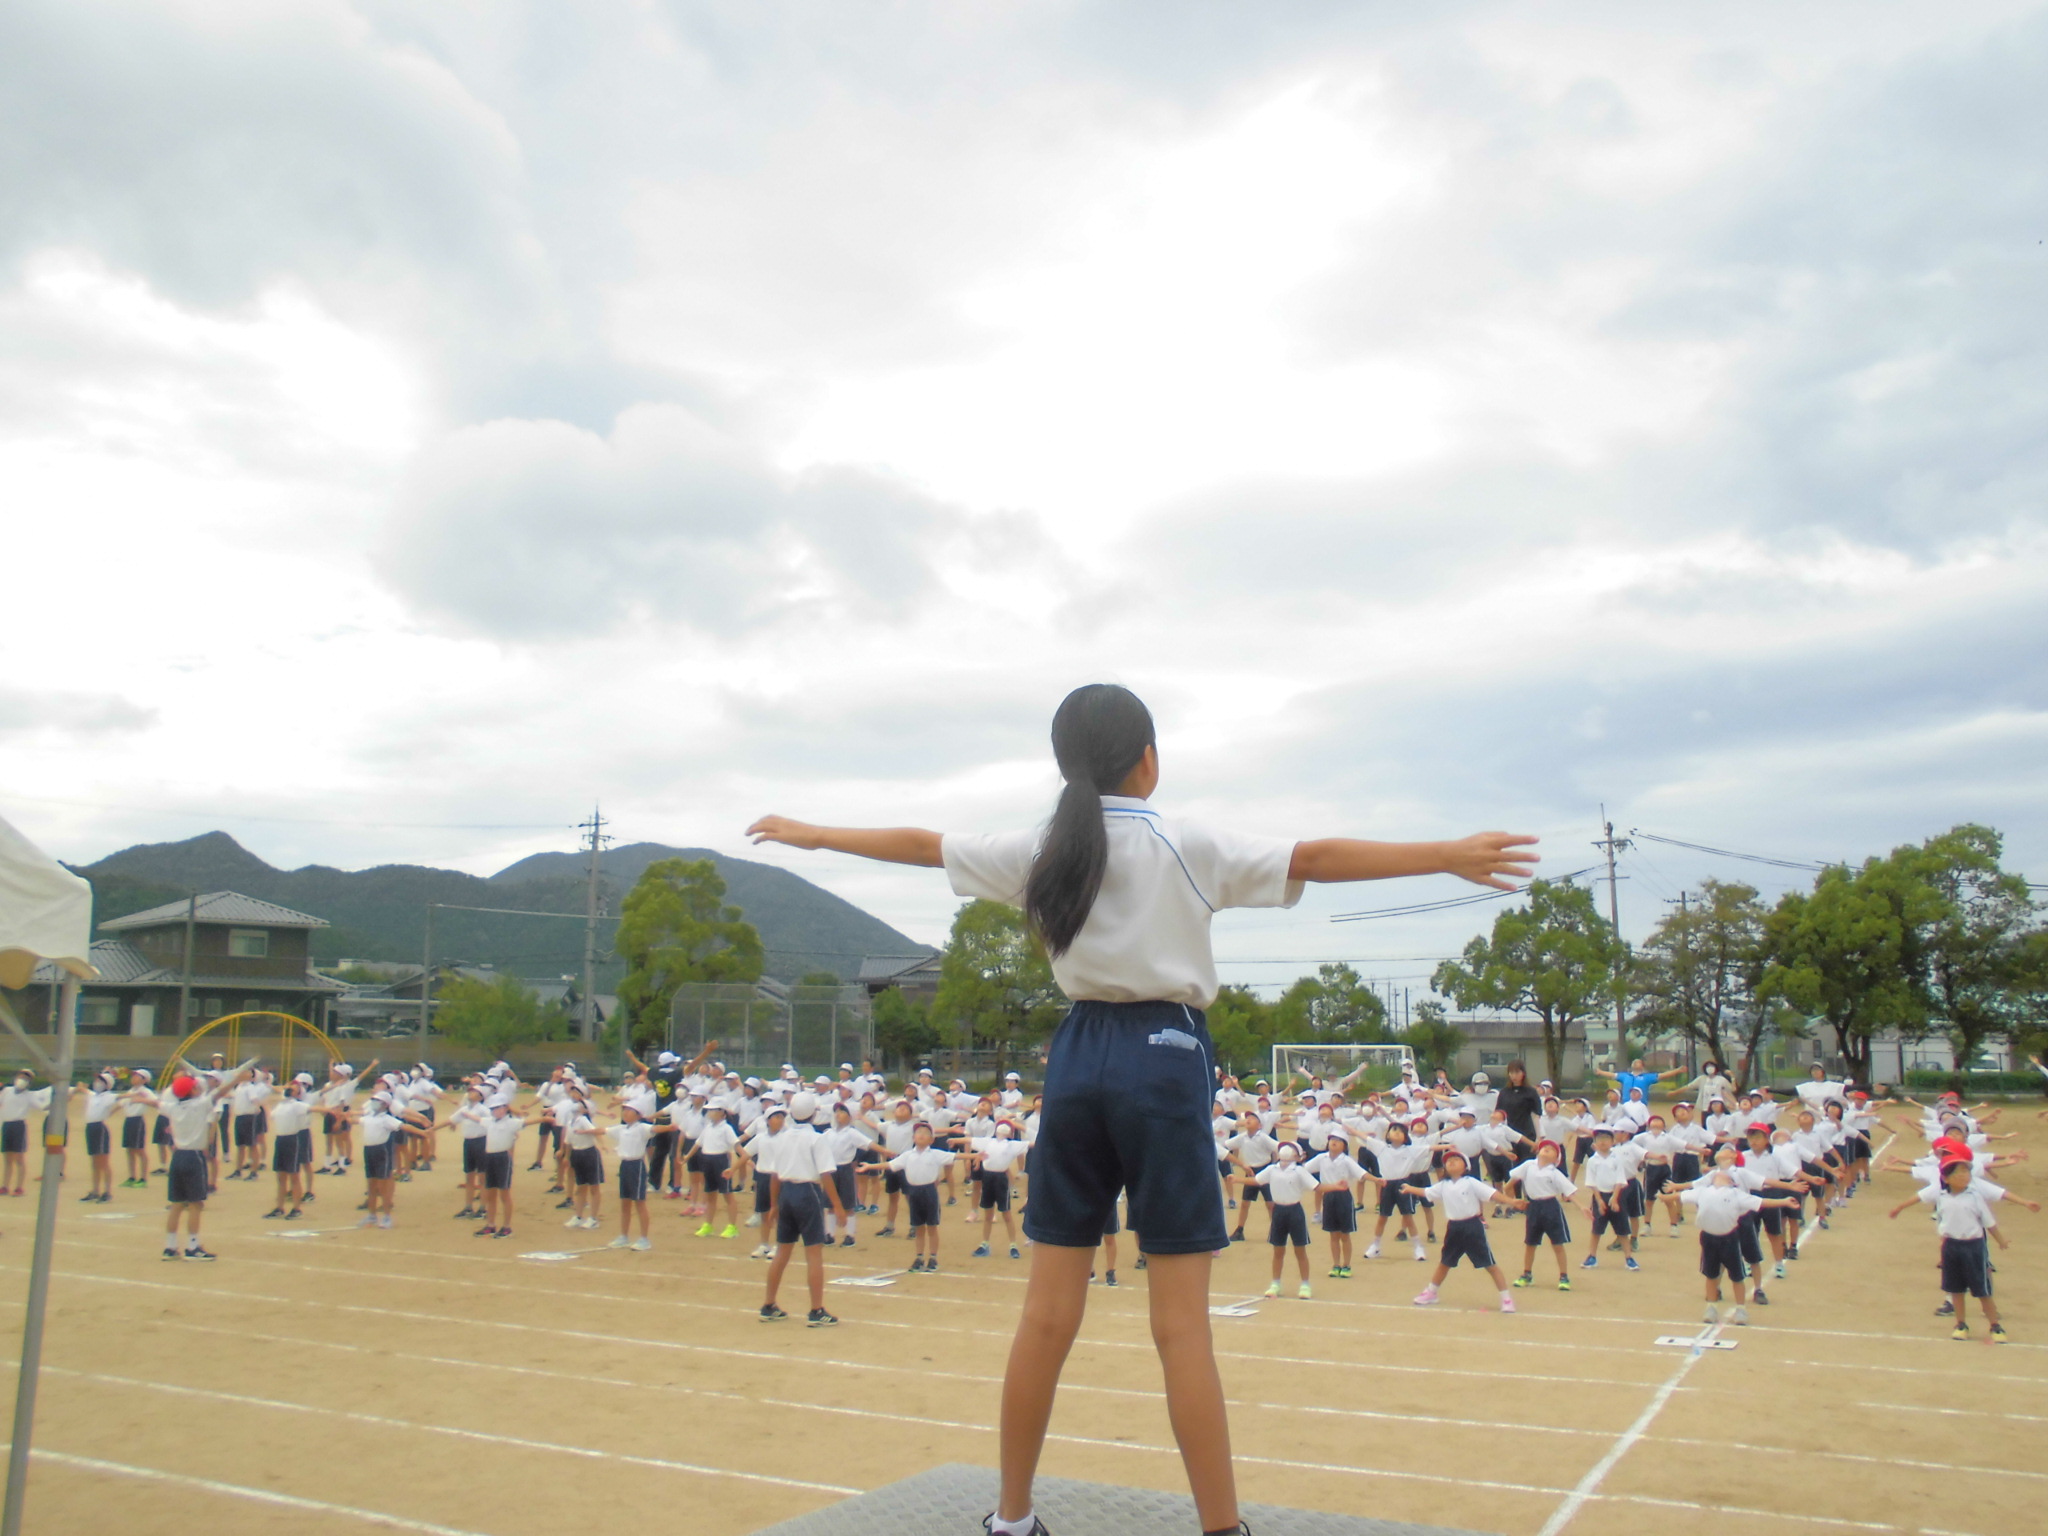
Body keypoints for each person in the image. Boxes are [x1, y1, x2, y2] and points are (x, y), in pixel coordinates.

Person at [747, 681, 1537, 1536]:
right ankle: (1220, 1528)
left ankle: (1010, 1520)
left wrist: (817, 833)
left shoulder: (1044, 849)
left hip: (1078, 1056)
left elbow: (921, 842)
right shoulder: (1184, 840)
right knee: (1180, 1326)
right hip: (1165, 1055)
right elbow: (1314, 856)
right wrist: (1445, 851)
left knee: (1046, 1315)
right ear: (1149, 760)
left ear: (1065, 766)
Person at [1891, 1156, 2039, 1341]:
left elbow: (1988, 1222)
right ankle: (1961, 1324)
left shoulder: (1974, 1196)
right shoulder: (1942, 1197)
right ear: (1946, 1178)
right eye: (1959, 1173)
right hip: (1951, 1246)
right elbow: (1936, 1214)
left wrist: (2001, 1240)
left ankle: (1995, 1326)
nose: (1964, 1176)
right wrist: (1899, 1208)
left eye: (1966, 1172)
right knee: (1956, 1288)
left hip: (1973, 1246)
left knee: (1982, 1289)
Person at [758, 1091, 845, 1325]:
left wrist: (774, 1204)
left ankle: (769, 1304)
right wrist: (837, 1205)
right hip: (808, 1193)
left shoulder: (783, 1137)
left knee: (782, 1251)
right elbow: (826, 1175)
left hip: (786, 1193)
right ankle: (816, 1310)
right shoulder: (816, 1138)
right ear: (813, 1114)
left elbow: (775, 1175)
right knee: (814, 1253)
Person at [158, 1060, 252, 1260]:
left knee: (176, 1204)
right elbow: (219, 1092)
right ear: (192, 1091)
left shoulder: (173, 1107)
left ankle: (170, 1246)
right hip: (194, 1157)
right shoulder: (201, 1104)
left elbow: (156, 1103)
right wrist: (236, 1079)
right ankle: (192, 1247)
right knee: (195, 1204)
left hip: (177, 1156)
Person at [1410, 1151, 1516, 1312]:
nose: (1451, 1162)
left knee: (1490, 1264)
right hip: (1454, 1228)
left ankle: (1506, 1299)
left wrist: (1511, 1201)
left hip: (1472, 1227)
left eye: (1456, 1160)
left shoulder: (1471, 1182)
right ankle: (1431, 1292)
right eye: (1448, 1161)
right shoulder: (1443, 1185)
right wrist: (1409, 1188)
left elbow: (1493, 1194)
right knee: (1445, 1262)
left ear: (1466, 1166)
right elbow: (1426, 1192)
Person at [1505, 1140, 1579, 1290]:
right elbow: (1510, 1183)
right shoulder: (1528, 1165)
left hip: (1550, 1206)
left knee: (1557, 1244)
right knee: (1530, 1243)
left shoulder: (1554, 1172)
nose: (1546, 1149)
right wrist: (1511, 1200)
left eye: (1551, 1150)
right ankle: (1527, 1274)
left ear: (1556, 1159)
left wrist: (1582, 1207)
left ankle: (1564, 1276)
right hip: (1533, 1206)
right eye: (1544, 1147)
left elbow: (1570, 1192)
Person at [887, 1120, 956, 1273]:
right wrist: (869, 1166)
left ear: (932, 1140)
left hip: (929, 1191)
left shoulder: (935, 1154)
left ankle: (933, 1257)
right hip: (914, 1192)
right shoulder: (907, 1155)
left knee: (932, 1226)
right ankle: (919, 1257)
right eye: (918, 1133)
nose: (921, 1135)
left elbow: (956, 1156)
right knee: (918, 1227)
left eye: (926, 1134)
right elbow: (890, 1165)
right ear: (913, 1138)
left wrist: (976, 1156)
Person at [1254, 1142, 1318, 1299]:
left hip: (1294, 1211)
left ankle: (1305, 1284)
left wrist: (1336, 1187)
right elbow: (1257, 1181)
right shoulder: (1272, 1169)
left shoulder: (1299, 1171)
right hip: (1278, 1211)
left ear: (1297, 1155)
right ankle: (1275, 1283)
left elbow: (1316, 1186)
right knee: (1278, 1250)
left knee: (1300, 1249)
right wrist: (1237, 1180)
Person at [604, 1102, 656, 1251]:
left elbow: (655, 1128)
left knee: (639, 1202)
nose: (625, 1113)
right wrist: (583, 1131)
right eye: (624, 1110)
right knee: (625, 1202)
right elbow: (602, 1130)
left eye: (629, 1110)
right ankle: (623, 1236)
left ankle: (644, 1238)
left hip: (636, 1165)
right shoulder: (622, 1129)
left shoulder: (642, 1128)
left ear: (638, 1115)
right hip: (625, 1166)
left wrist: (671, 1127)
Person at [79, 1071, 118, 1203]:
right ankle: (95, 1190)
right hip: (90, 1128)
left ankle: (107, 1192)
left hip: (100, 1128)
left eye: (101, 1081)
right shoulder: (92, 1095)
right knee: (94, 1162)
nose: (97, 1083)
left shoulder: (108, 1096)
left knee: (103, 1162)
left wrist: (135, 1095)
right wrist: (80, 1087)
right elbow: (84, 1090)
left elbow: (121, 1097)